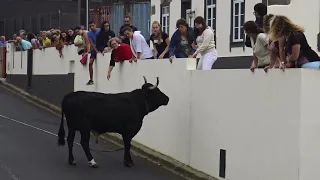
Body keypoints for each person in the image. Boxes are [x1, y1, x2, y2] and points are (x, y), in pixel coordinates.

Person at [87, 21, 101, 85]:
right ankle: (91, 79)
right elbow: (91, 43)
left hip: (101, 46)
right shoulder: (89, 33)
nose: (92, 27)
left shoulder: (99, 30)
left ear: (95, 25)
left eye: (93, 25)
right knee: (90, 63)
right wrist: (96, 51)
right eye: (90, 26)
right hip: (95, 48)